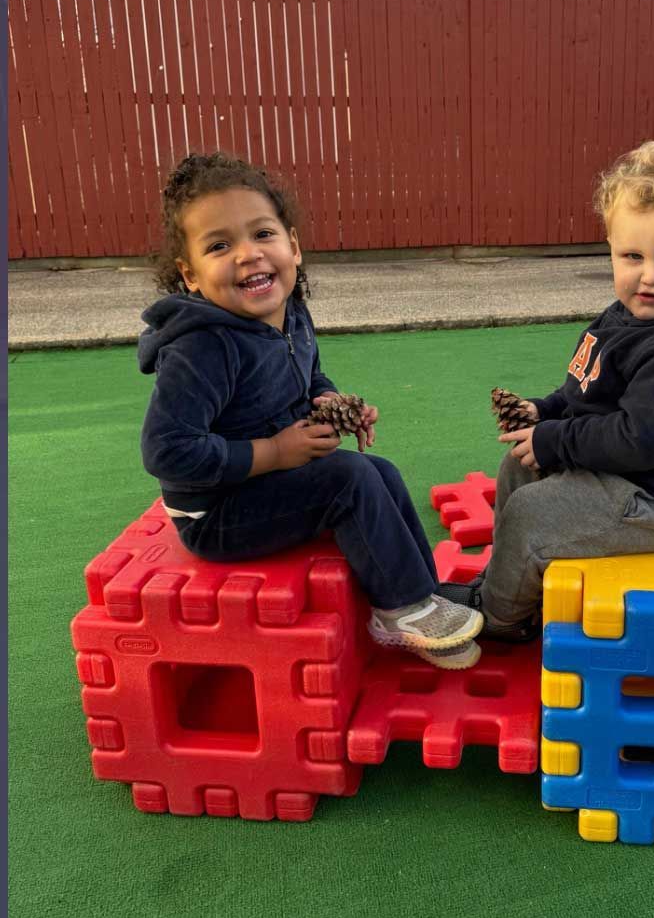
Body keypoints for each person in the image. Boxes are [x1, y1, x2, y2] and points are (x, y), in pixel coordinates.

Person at [138, 152, 482, 669]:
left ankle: (422, 591)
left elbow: (307, 377)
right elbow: (168, 451)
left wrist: (330, 402)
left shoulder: (291, 314)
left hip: (267, 484)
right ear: (190, 274)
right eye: (219, 245)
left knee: (377, 472)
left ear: (292, 246)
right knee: (347, 479)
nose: (248, 254)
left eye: (262, 234)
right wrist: (275, 452)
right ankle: (400, 610)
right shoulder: (203, 348)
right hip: (216, 514)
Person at [439, 140, 654, 640]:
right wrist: (543, 410)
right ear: (611, 247)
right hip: (622, 475)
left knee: (532, 511)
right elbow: (587, 390)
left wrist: (554, 439)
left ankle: (498, 619)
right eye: (632, 255)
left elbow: (641, 442)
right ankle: (511, 586)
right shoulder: (626, 315)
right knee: (517, 468)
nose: (650, 276)